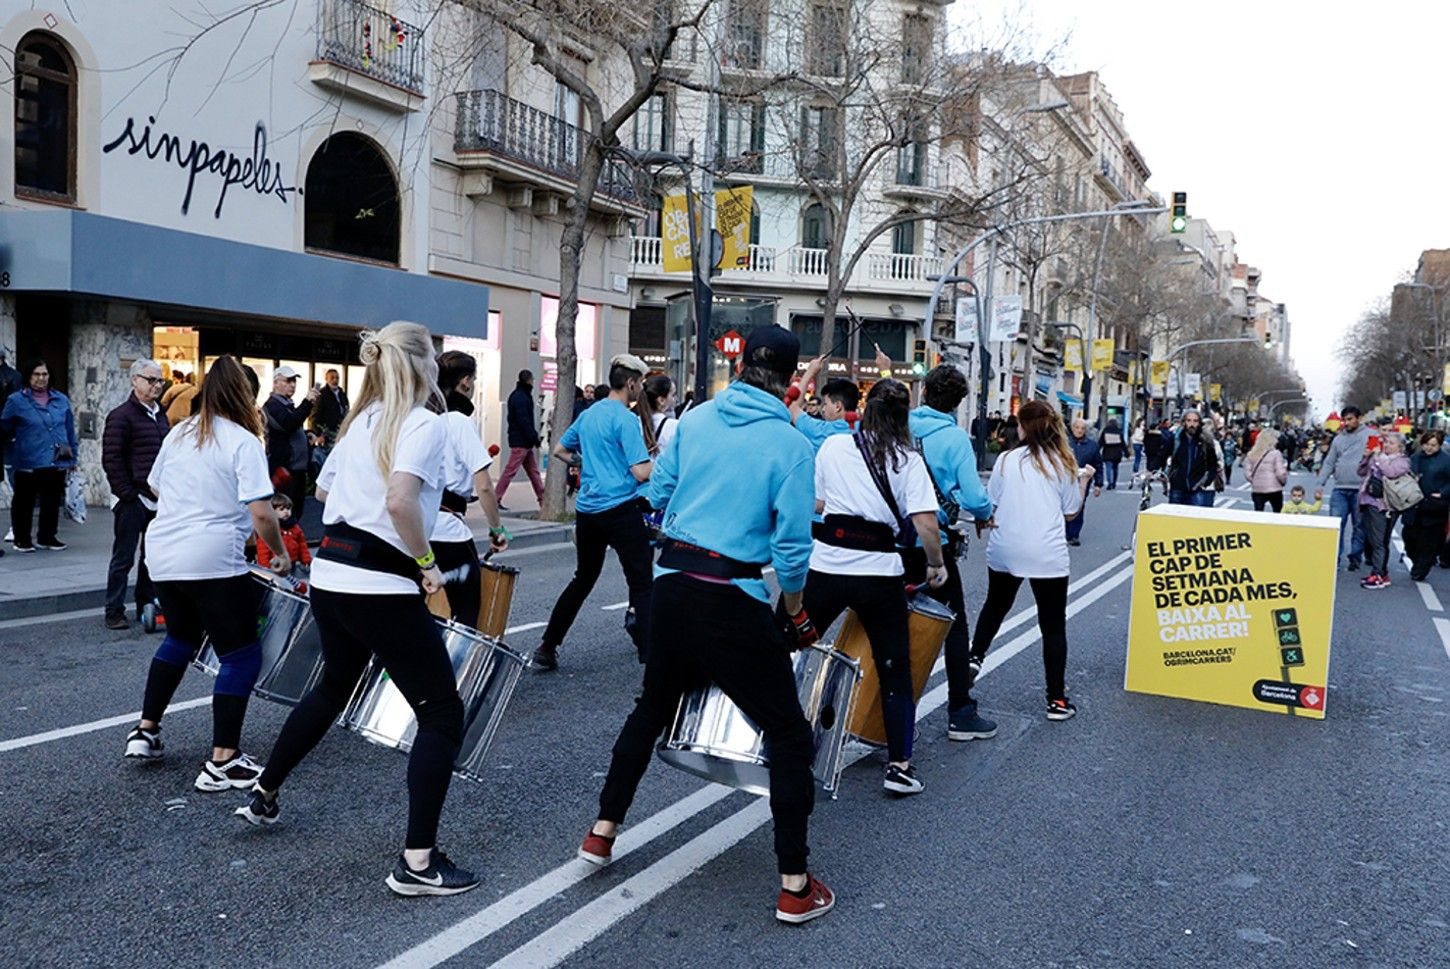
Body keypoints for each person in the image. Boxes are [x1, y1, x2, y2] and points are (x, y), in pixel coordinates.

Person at [579, 325, 836, 924]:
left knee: (651, 707)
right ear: (793, 381)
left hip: (671, 585)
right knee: (790, 735)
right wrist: (795, 613)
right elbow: (793, 552)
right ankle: (795, 885)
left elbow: (659, 493)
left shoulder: (694, 422)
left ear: (741, 363)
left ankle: (601, 832)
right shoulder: (792, 445)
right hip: (732, 596)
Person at [238, 322, 482, 897]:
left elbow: (323, 495)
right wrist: (425, 561)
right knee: (443, 715)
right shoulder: (421, 423)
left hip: (332, 574)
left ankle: (265, 790)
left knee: (331, 689)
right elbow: (400, 500)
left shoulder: (359, 423)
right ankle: (418, 863)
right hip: (380, 583)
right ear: (424, 365)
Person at [121, 355, 291, 793]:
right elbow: (261, 511)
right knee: (239, 653)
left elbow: (156, 486)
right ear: (246, 395)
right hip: (212, 555)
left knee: (180, 637)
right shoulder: (242, 441)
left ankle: (145, 730)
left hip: (163, 552)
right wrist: (277, 552)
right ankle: (223, 760)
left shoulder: (179, 433)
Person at [803, 380, 946, 795]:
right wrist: (936, 565)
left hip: (827, 563)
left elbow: (818, 502)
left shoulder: (833, 447)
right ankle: (899, 765)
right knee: (893, 667)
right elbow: (925, 524)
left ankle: (766, 738)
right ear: (904, 416)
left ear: (864, 411)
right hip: (879, 572)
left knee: (788, 645)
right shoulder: (908, 460)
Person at [970, 400, 1092, 721]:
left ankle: (974, 658)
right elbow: (1070, 512)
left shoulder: (1007, 459)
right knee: (1052, 625)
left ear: (1024, 428)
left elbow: (991, 501)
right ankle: (1057, 700)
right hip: (1046, 553)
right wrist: (1083, 481)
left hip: (1006, 547)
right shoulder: (1063, 462)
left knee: (995, 606)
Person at [532, 353, 654, 671]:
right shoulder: (626, 419)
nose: (640, 389)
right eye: (640, 383)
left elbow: (560, 451)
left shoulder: (589, 415)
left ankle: (548, 644)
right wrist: (668, 467)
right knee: (641, 582)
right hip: (621, 509)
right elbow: (641, 472)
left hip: (587, 511)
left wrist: (586, 464)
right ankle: (651, 655)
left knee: (583, 579)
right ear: (630, 383)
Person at [904, 364, 997, 742]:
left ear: (925, 392)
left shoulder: (902, 423)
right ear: (959, 403)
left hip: (890, 539)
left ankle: (874, 710)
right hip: (930, 544)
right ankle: (960, 710)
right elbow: (975, 497)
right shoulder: (955, 439)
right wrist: (985, 515)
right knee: (953, 625)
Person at [430, 351, 509, 626]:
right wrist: (497, 528)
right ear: (465, 382)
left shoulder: (428, 421)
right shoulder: (460, 422)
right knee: (466, 612)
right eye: (473, 380)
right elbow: (484, 485)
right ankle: (452, 668)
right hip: (448, 529)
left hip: (418, 526)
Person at [101, 359, 170, 629]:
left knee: (151, 557)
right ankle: (114, 610)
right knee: (124, 557)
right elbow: (112, 459)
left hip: (156, 497)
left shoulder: (160, 414)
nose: (156, 386)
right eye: (151, 380)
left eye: (160, 381)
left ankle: (146, 604)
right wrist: (127, 494)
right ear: (135, 380)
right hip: (131, 498)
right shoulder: (121, 415)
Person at [2, 359, 78, 551]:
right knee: (24, 501)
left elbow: (69, 429)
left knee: (52, 500)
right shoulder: (16, 401)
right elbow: (4, 428)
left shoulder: (61, 399)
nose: (41, 378)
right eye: (37, 374)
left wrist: (73, 457)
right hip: (27, 458)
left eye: (44, 374)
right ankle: (22, 539)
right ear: (28, 376)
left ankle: (47, 537)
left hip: (57, 458)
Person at [1317, 406, 1371, 570]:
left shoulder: (1370, 435)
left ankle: (1355, 557)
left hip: (1361, 489)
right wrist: (1321, 483)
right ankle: (1335, 559)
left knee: (1359, 526)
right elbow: (1329, 462)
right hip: (1340, 488)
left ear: (1358, 418)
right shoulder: (1338, 439)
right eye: (1344, 420)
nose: (1346, 423)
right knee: (1335, 525)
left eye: (1350, 419)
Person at [1358, 433, 1411, 590]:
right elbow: (1361, 472)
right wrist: (1366, 458)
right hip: (1369, 501)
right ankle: (1381, 572)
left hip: (1385, 505)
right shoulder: (1378, 457)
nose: (1387, 445)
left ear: (1400, 447)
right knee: (1376, 539)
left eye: (1392, 443)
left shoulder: (1403, 462)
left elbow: (1390, 472)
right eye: (1386, 442)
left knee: (1379, 541)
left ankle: (1378, 574)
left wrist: (1378, 457)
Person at [263, 366, 318, 511]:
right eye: (288, 381)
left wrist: (306, 435)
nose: (292, 385)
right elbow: (288, 424)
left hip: (296, 469)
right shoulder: (272, 406)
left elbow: (292, 427)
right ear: (275, 383)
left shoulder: (287, 404)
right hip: (285, 469)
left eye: (294, 381)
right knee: (285, 511)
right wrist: (307, 403)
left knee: (295, 510)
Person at [497, 369, 546, 506]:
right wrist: (534, 438)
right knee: (511, 471)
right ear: (529, 380)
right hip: (522, 441)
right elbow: (524, 421)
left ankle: (542, 497)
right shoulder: (522, 397)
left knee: (533, 471)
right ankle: (495, 497)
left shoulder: (517, 395)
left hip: (521, 440)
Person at [1407, 431, 1450, 580]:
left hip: (1434, 505)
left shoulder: (1446, 460)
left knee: (1428, 540)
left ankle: (1421, 568)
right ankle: (1417, 561)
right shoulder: (1415, 458)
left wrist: (1443, 493)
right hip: (1414, 503)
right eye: (1427, 444)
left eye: (1433, 445)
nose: (1429, 448)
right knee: (1410, 537)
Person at [1165, 410, 1219, 507]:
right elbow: (1162, 456)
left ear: (1199, 423)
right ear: (1184, 422)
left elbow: (1213, 464)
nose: (1192, 424)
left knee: (1195, 519)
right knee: (1174, 519)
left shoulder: (1206, 441)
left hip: (1197, 488)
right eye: (1189, 420)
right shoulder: (1176, 439)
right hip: (1177, 487)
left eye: (1195, 421)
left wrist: (1206, 481)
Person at [792, 374, 858, 453]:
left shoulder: (820, 430)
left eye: (826, 404)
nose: (823, 409)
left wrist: (810, 372)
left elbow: (793, 407)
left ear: (838, 406)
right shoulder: (865, 430)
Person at [1065, 418, 1103, 545]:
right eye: (1077, 427)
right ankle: (1063, 532)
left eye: (1082, 428)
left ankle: (1073, 534)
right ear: (1072, 428)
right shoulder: (1064, 443)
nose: (1079, 430)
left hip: (1083, 480)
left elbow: (1098, 464)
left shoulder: (1092, 446)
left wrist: (1098, 484)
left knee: (1079, 506)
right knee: (1063, 505)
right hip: (1065, 479)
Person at [256, 493, 310, 574]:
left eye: (288, 509)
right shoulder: (270, 528)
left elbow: (302, 545)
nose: (286, 512)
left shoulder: (295, 527)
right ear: (272, 511)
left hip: (292, 562)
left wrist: (306, 560)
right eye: (281, 509)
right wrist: (264, 567)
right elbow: (263, 549)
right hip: (274, 564)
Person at [1243, 428, 1288, 512]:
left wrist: (1253, 480)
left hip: (1257, 488)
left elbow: (1247, 471)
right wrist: (1283, 481)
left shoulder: (1252, 453)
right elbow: (1280, 473)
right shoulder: (1276, 453)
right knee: (1277, 511)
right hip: (1274, 488)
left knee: (1258, 512)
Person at [640, 374, 679, 457]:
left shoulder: (634, 422)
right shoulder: (674, 427)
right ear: (661, 400)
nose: (675, 399)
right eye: (673, 395)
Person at [311, 368, 349, 445]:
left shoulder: (342, 394)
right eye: (332, 377)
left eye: (337, 378)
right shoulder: (322, 394)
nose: (335, 380)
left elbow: (346, 409)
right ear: (326, 379)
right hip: (327, 434)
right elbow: (315, 415)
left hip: (340, 432)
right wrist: (318, 434)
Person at [1099, 417, 1125, 489]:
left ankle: (1109, 482)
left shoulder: (1105, 431)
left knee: (1108, 468)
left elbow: (1101, 442)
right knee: (1115, 468)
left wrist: (1097, 450)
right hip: (1117, 453)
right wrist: (1127, 453)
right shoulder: (1119, 431)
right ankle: (1114, 482)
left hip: (1107, 452)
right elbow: (1123, 443)